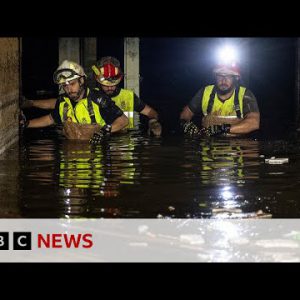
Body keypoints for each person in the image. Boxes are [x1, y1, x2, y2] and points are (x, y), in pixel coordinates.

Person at [20, 60, 129, 144]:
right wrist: (26, 124)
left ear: (81, 81)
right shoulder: (63, 102)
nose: (68, 89)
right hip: (71, 159)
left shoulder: (98, 99)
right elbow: (50, 119)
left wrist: (105, 131)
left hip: (97, 158)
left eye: (72, 84)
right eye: (65, 86)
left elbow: (123, 120)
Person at [180, 61, 260, 137]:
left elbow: (253, 123)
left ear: (236, 78)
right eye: (220, 75)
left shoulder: (244, 95)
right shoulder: (205, 92)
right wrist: (186, 124)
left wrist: (223, 129)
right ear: (215, 76)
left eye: (228, 76)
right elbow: (185, 114)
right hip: (209, 144)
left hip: (237, 145)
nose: (223, 80)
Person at [91, 56, 162, 136]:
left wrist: (153, 123)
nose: (110, 88)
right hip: (101, 140)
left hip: (126, 141)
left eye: (113, 84)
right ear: (99, 82)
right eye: (106, 85)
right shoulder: (91, 96)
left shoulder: (128, 96)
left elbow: (151, 113)